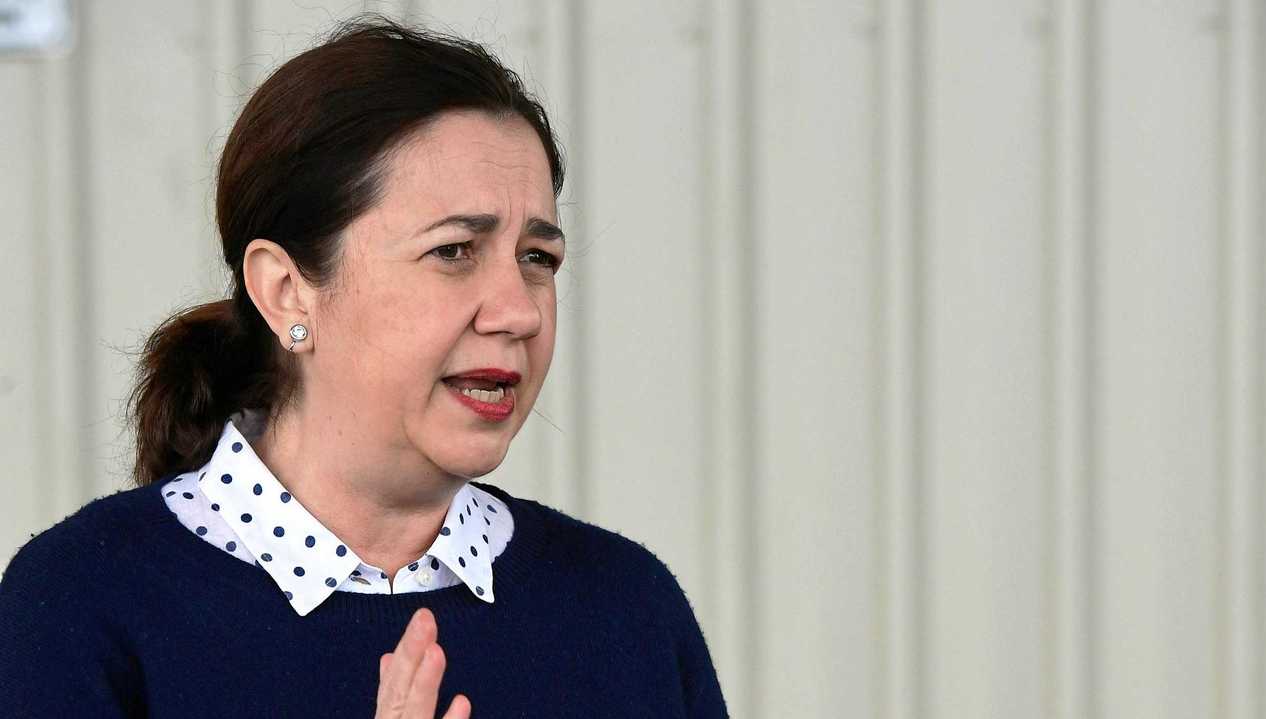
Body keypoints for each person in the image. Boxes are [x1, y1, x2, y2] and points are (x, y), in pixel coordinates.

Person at [0, 15, 728, 718]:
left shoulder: (628, 611)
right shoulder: (79, 606)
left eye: (536, 258)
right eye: (454, 250)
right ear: (286, 291)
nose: (521, 310)